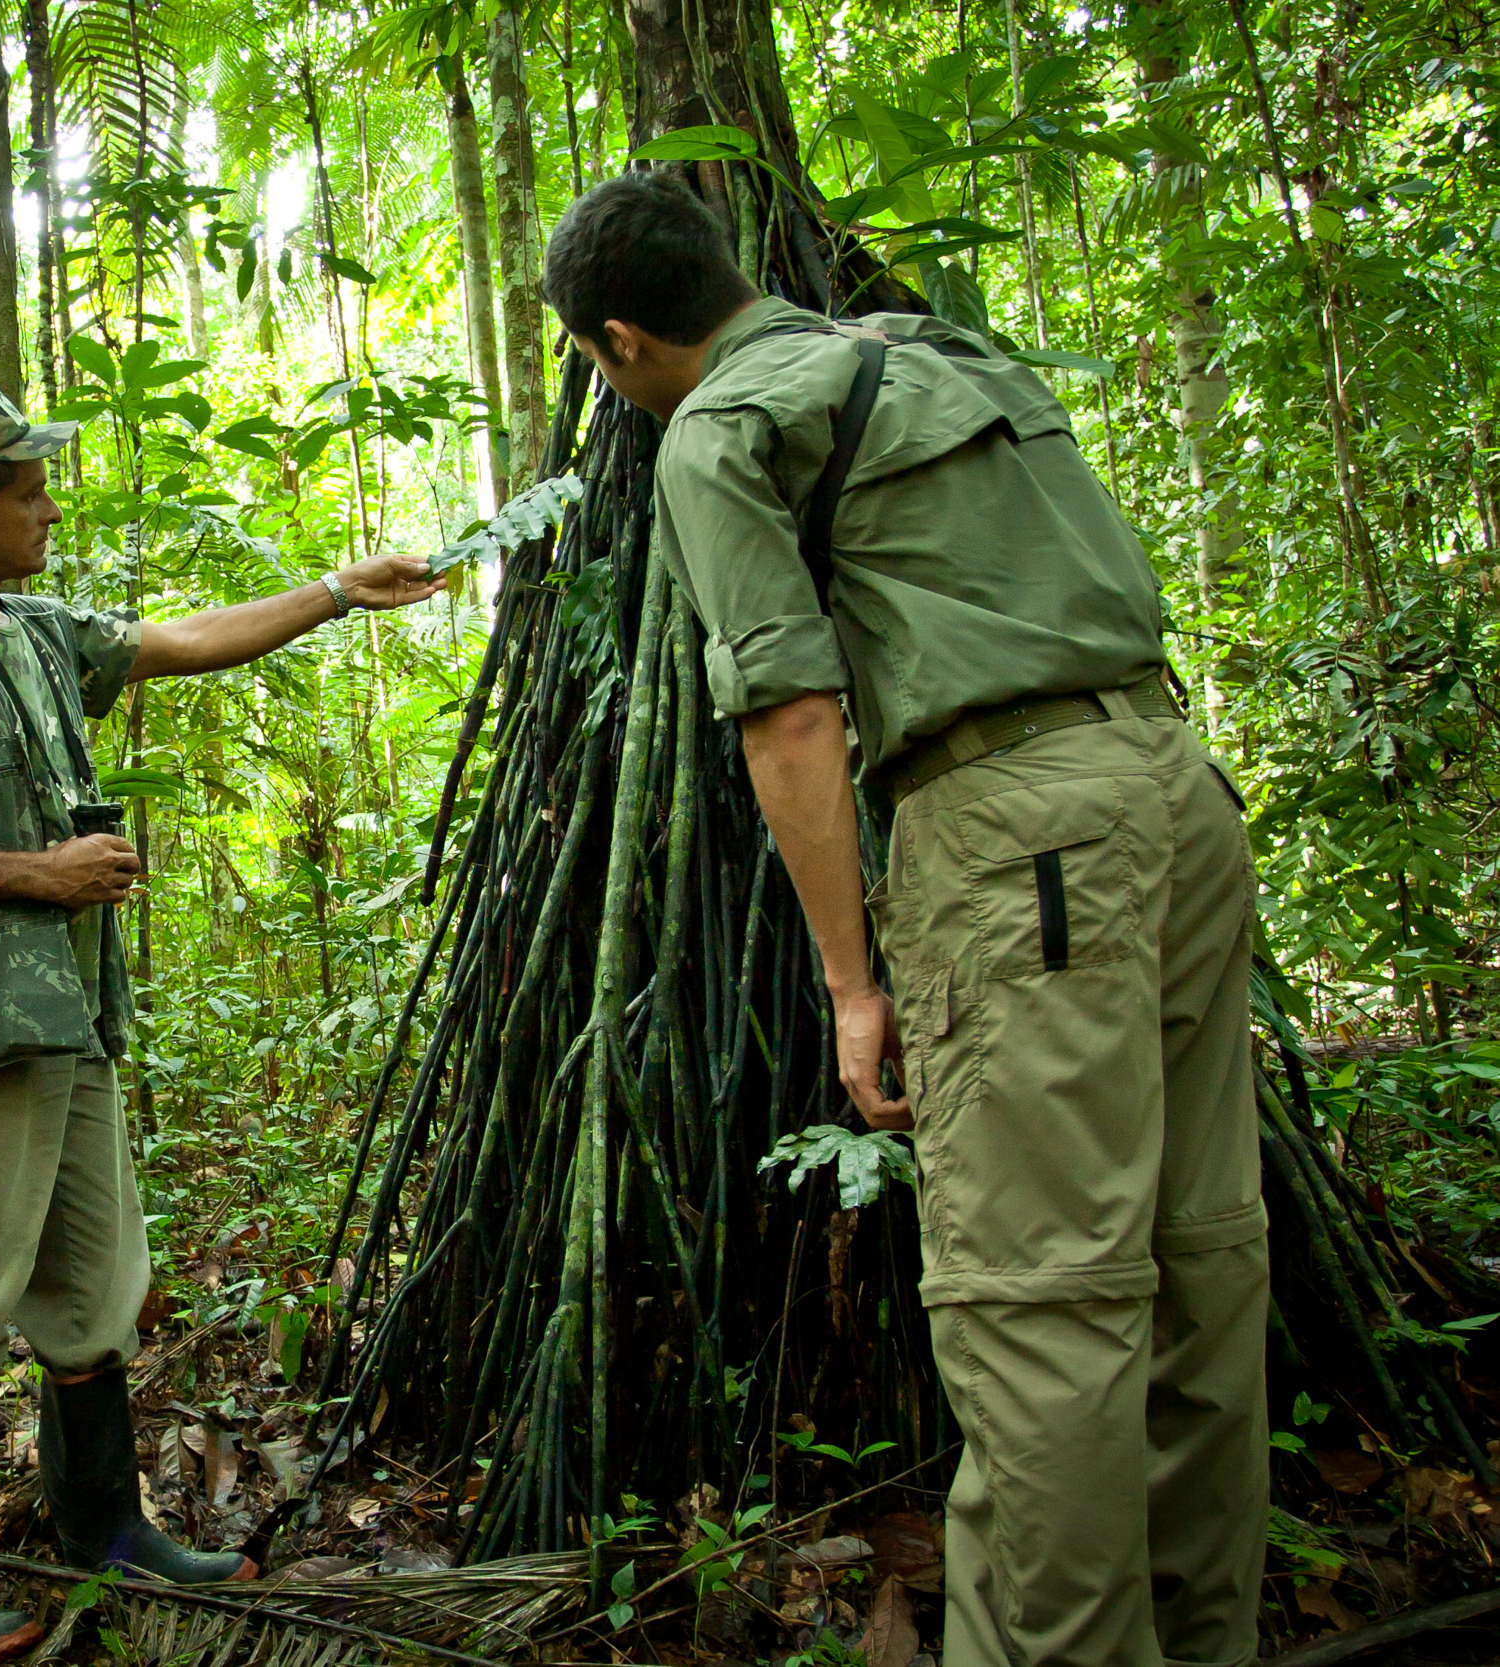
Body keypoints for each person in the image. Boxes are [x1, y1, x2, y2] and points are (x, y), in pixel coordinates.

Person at [540, 174, 1268, 1667]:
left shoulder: (718, 428)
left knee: (1042, 1301)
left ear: (620, 341)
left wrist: (850, 978)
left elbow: (793, 716)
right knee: (1205, 1255)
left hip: (1018, 835)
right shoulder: (942, 352)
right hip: (1178, 789)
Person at [0, 382, 446, 1659]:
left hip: (66, 1019)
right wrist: (41, 875)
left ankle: (105, 1522)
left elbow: (180, 640)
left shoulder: (36, 630)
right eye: (31, 488)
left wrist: (336, 590)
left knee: (95, 1287)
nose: (52, 505)